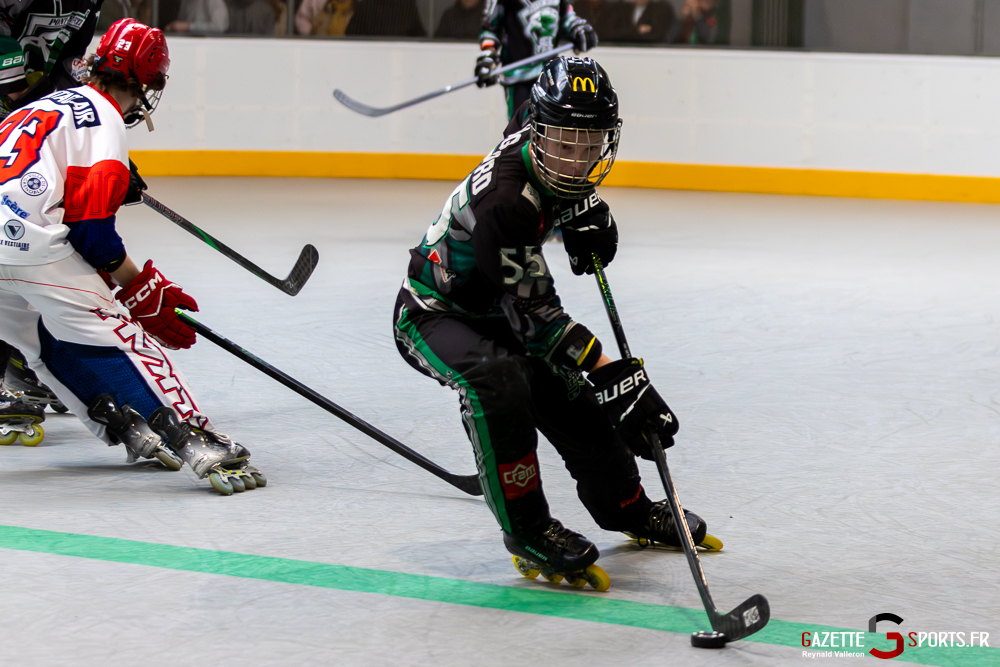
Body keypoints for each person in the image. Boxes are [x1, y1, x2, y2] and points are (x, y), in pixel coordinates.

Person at [393, 57, 712, 587]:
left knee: (574, 401)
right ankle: (529, 530)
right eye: (563, 144)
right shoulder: (505, 204)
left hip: (501, 308)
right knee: (500, 382)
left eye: (589, 147)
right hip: (436, 314)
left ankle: (628, 507)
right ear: (539, 132)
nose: (574, 160)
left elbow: (556, 148)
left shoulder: (535, 122)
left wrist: (584, 205)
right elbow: (539, 320)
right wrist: (616, 377)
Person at [0, 19, 264, 495]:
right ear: (146, 81)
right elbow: (92, 233)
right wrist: (138, 285)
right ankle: (195, 438)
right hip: (34, 246)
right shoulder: (102, 118)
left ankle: (123, 422)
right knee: (121, 337)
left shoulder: (41, 105)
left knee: (40, 344)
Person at [475, 1, 599, 119]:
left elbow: (566, 15)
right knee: (523, 130)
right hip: (519, 77)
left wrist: (578, 29)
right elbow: (490, 28)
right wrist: (488, 57)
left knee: (553, 129)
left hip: (551, 75)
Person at [344, 0, 425, 37]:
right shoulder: (365, 7)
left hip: (401, 61)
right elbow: (352, 37)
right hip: (371, 61)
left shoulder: (408, 6)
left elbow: (420, 36)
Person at [164, 0, 229, 33]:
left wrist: (187, 27)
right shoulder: (185, 1)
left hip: (210, 48)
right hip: (188, 47)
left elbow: (220, 27)